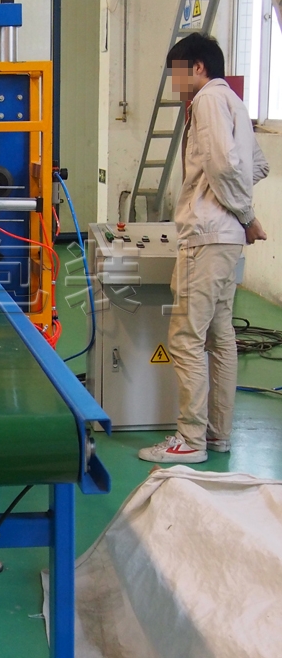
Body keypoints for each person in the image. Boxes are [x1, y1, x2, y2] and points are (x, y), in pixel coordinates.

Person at [139, 33, 269, 464]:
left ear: (198, 67)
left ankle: (190, 439)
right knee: (221, 336)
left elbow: (223, 165)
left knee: (185, 338)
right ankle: (217, 435)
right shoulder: (234, 102)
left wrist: (244, 214)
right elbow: (258, 165)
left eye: (178, 73)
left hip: (207, 237)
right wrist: (236, 210)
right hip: (225, 239)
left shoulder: (208, 99)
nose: (175, 83)